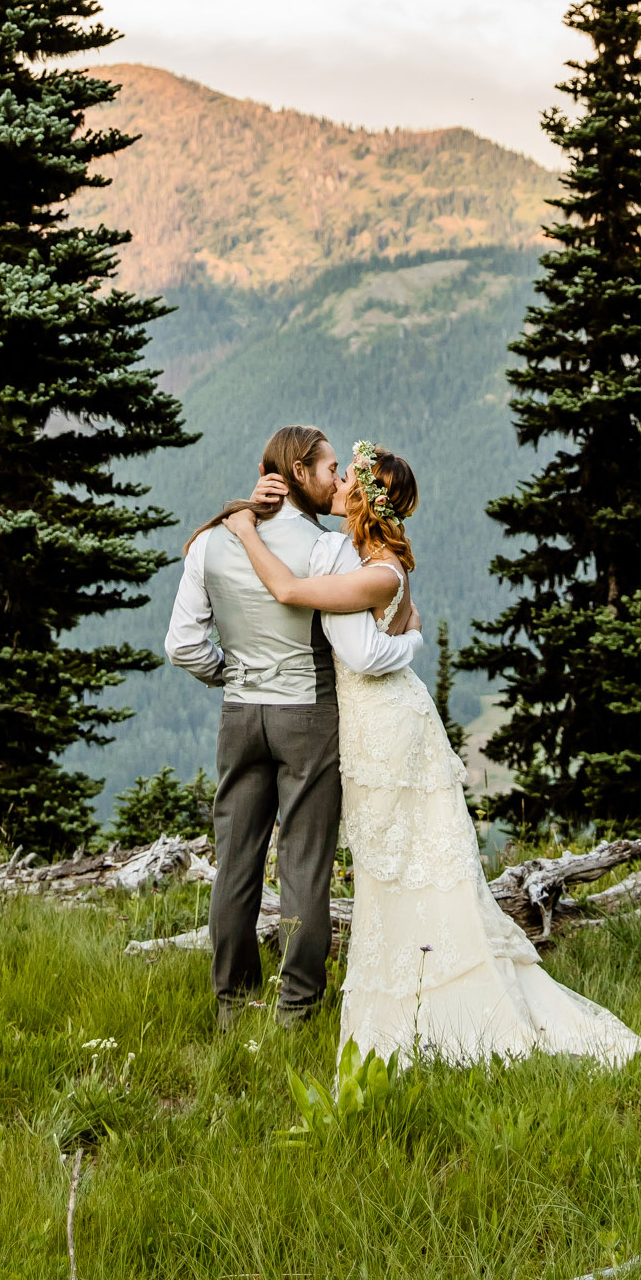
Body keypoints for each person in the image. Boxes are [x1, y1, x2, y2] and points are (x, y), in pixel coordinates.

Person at [221, 441, 641, 1068]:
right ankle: (409, 994)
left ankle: (440, 1008)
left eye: (351, 477)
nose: (339, 480)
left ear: (368, 499)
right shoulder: (353, 553)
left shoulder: (376, 569)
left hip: (389, 731)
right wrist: (251, 506)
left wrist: (241, 530)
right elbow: (310, 563)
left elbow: (331, 626)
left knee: (408, 867)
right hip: (371, 728)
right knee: (388, 867)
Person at [165, 424, 421, 1029]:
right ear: (300, 473)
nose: (339, 479)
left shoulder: (211, 540)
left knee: (235, 862)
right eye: (331, 468)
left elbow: (181, 645)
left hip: (239, 714)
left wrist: (231, 675)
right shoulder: (329, 549)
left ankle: (231, 1005)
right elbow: (354, 640)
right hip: (308, 717)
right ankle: (296, 1011)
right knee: (304, 864)